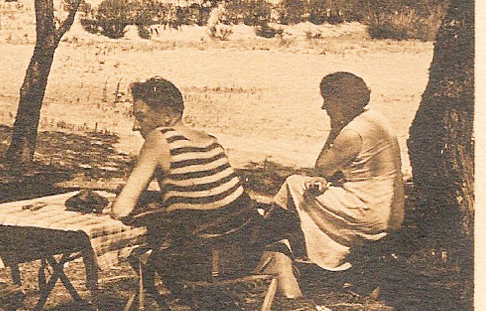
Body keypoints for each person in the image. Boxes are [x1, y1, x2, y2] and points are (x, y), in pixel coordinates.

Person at [110, 77, 261, 282]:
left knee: (141, 254)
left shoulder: (159, 138)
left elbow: (121, 209)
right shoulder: (210, 140)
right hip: (247, 254)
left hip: (205, 263)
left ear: (168, 116)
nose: (135, 126)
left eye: (141, 117)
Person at [267, 72, 405, 271]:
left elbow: (322, 167)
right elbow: (346, 170)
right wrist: (324, 179)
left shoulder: (351, 133)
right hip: (388, 208)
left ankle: (265, 239)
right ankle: (284, 244)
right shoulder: (375, 119)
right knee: (310, 187)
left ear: (340, 102)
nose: (324, 107)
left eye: (327, 101)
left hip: (367, 211)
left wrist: (334, 131)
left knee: (293, 184)